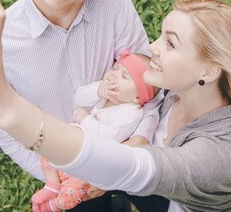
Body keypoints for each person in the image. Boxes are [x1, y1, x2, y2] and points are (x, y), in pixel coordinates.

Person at [0, 0, 231, 211]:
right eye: (159, 36)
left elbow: (130, 166)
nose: (152, 48)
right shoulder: (174, 91)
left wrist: (1, 104)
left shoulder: (217, 157)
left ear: (210, 70)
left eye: (170, 44)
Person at [0, 0, 163, 210]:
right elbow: (6, 133)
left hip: (131, 149)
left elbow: (150, 85)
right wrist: (68, 173)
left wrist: (136, 148)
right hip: (71, 176)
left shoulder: (113, 0)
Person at [32, 51, 158, 212]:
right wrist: (99, 90)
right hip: (74, 148)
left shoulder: (131, 112)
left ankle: (54, 205)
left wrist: (86, 120)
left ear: (137, 97)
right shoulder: (105, 94)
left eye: (124, 76)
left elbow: (110, 138)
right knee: (48, 147)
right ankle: (52, 185)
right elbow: (79, 98)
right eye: (115, 69)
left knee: (76, 191)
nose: (113, 76)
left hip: (93, 165)